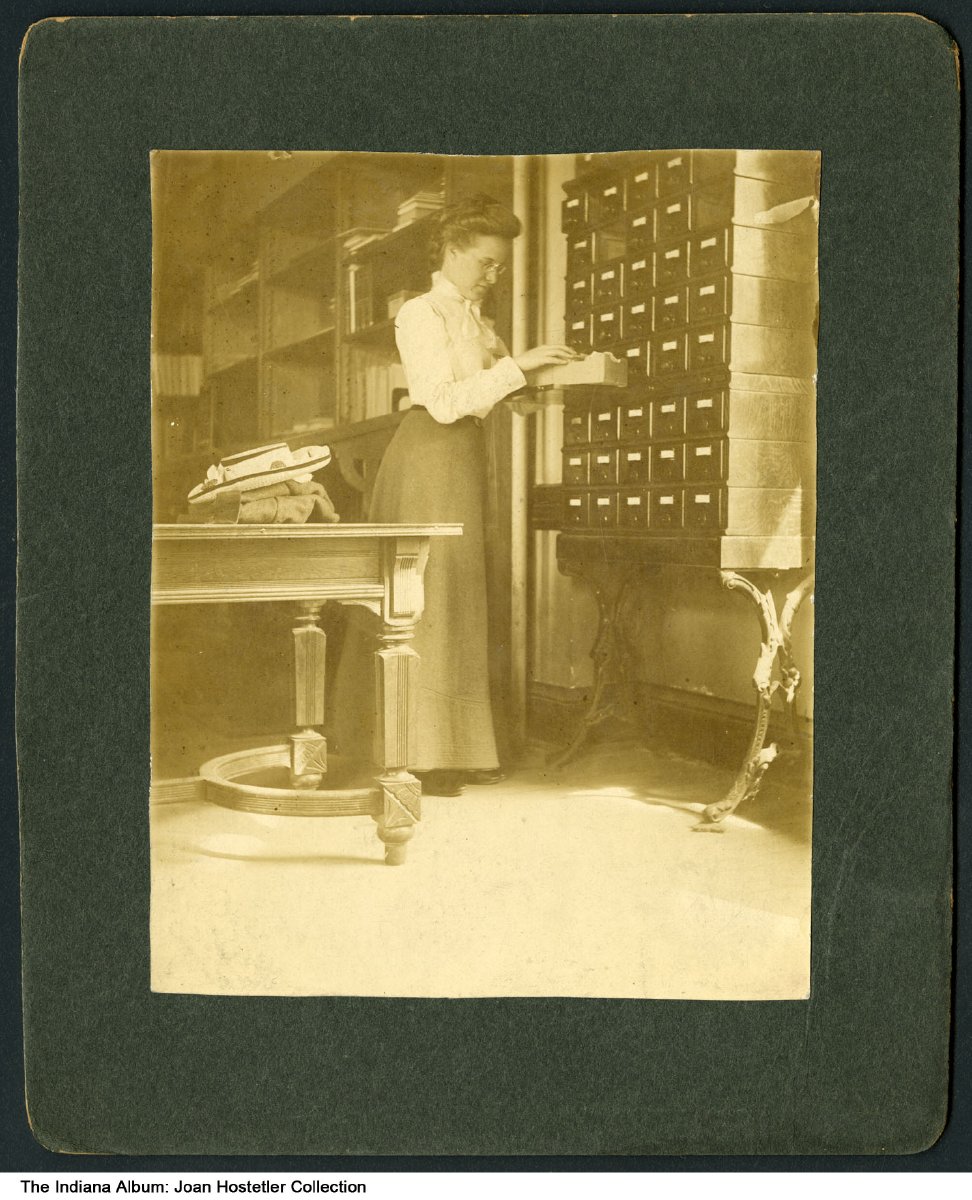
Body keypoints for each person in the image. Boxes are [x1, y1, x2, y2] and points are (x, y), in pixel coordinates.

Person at [368, 193, 576, 796]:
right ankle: (419, 753)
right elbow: (442, 401)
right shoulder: (420, 314)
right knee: (427, 598)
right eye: (486, 262)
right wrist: (521, 365)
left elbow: (496, 395)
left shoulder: (477, 321)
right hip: (428, 456)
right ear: (452, 250)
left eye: (500, 265)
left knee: (459, 596)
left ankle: (455, 749)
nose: (494, 274)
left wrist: (545, 379)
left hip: (463, 457)